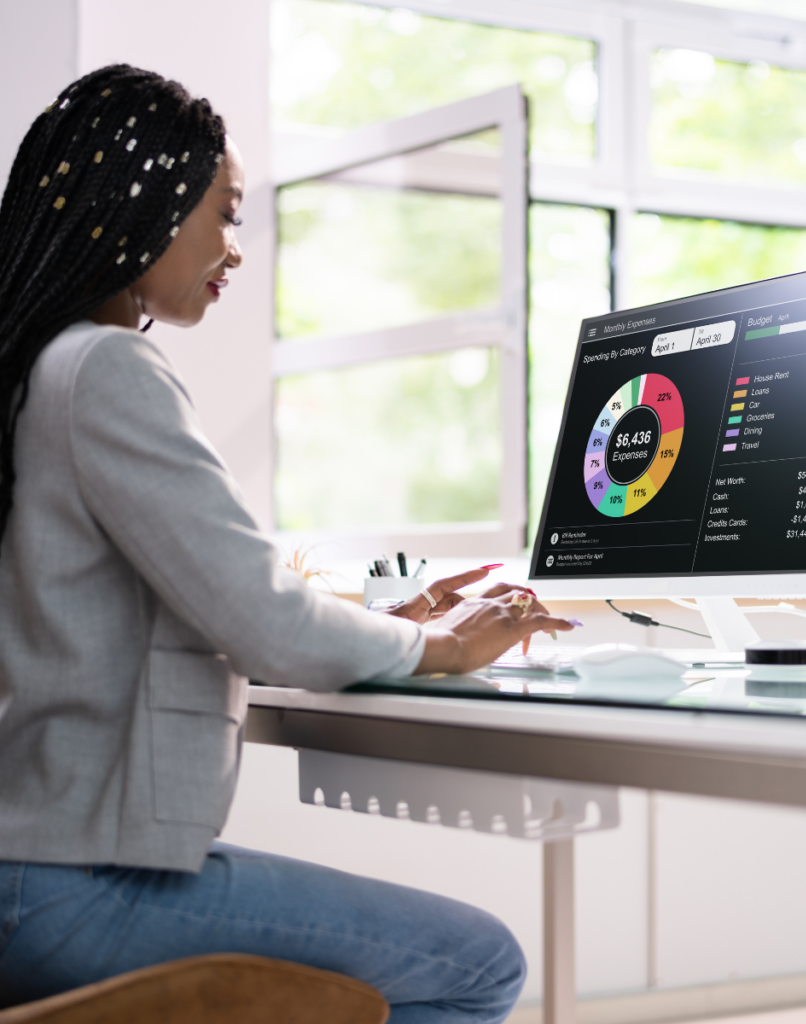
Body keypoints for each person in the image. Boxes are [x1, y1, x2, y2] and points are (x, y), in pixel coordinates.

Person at [0, 65, 573, 1019]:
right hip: (72, 884)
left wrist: (370, 620)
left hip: (29, 870)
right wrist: (444, 645)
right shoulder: (105, 366)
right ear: (142, 203)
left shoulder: (36, 368)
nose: (234, 247)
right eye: (223, 214)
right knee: (482, 964)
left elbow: (207, 595)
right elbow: (267, 624)